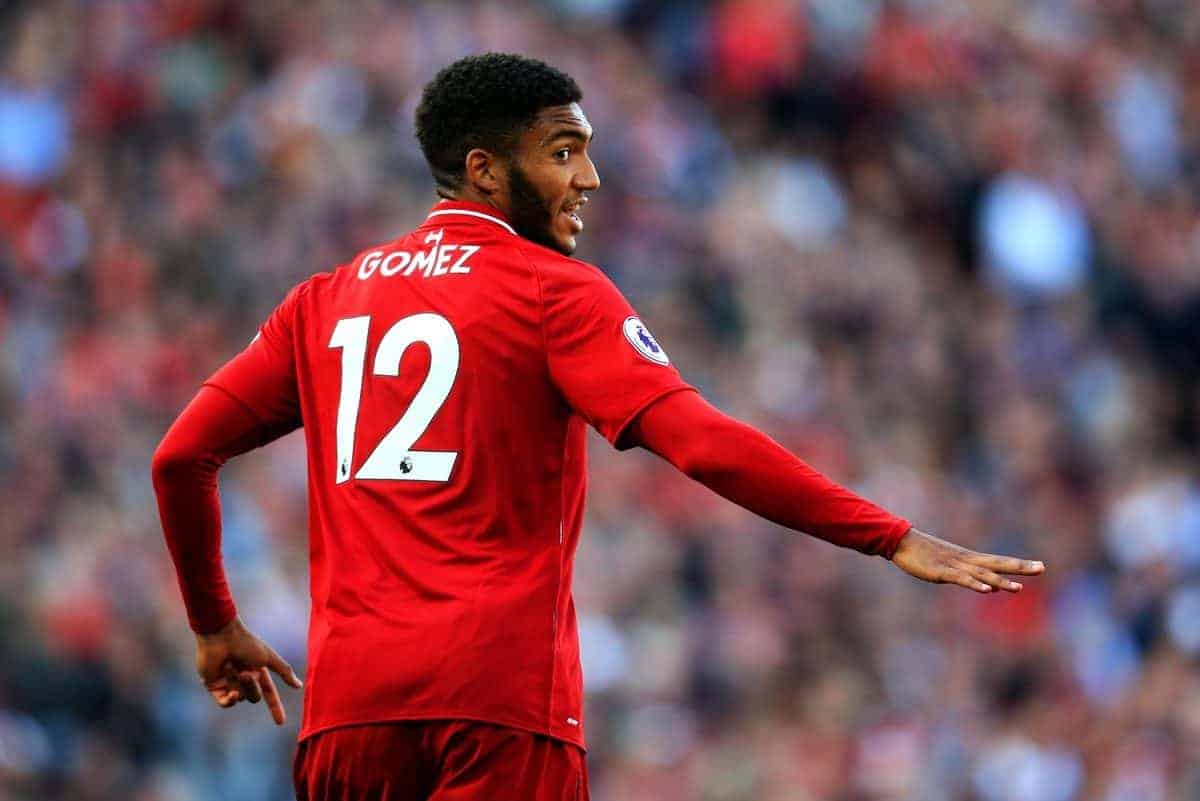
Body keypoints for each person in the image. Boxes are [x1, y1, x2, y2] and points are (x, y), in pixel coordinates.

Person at [151, 53, 1044, 801]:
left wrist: (213, 622)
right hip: (497, 709)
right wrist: (887, 535)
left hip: (348, 717)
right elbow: (703, 443)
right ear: (485, 169)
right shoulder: (552, 294)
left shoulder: (323, 301)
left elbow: (180, 455)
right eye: (564, 152)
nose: (590, 177)